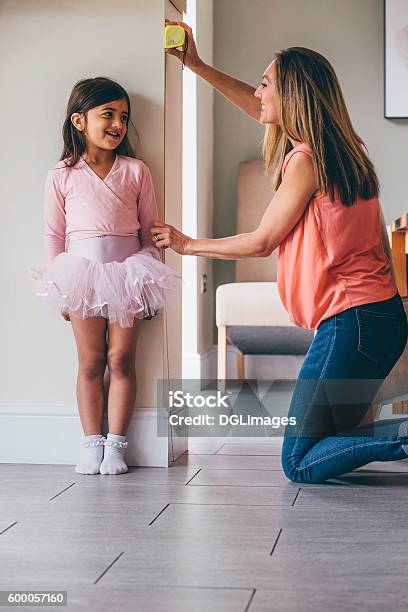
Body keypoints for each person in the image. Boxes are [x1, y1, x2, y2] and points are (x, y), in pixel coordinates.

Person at [152, 22, 408, 484]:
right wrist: (196, 65)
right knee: (330, 438)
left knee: (300, 460)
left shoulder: (306, 160)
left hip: (353, 323)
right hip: (376, 319)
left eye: (266, 83)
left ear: (292, 96)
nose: (258, 91)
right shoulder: (343, 149)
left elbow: (262, 240)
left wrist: (188, 244)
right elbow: (258, 106)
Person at [31, 77, 180, 476]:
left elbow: (150, 231)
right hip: (80, 276)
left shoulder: (136, 171)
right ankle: (90, 443)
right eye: (108, 114)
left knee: (121, 359)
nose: (117, 123)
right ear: (79, 121)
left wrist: (147, 281)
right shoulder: (61, 175)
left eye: (123, 117)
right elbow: (54, 235)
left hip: (129, 276)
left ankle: (116, 444)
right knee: (91, 361)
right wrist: (59, 286)